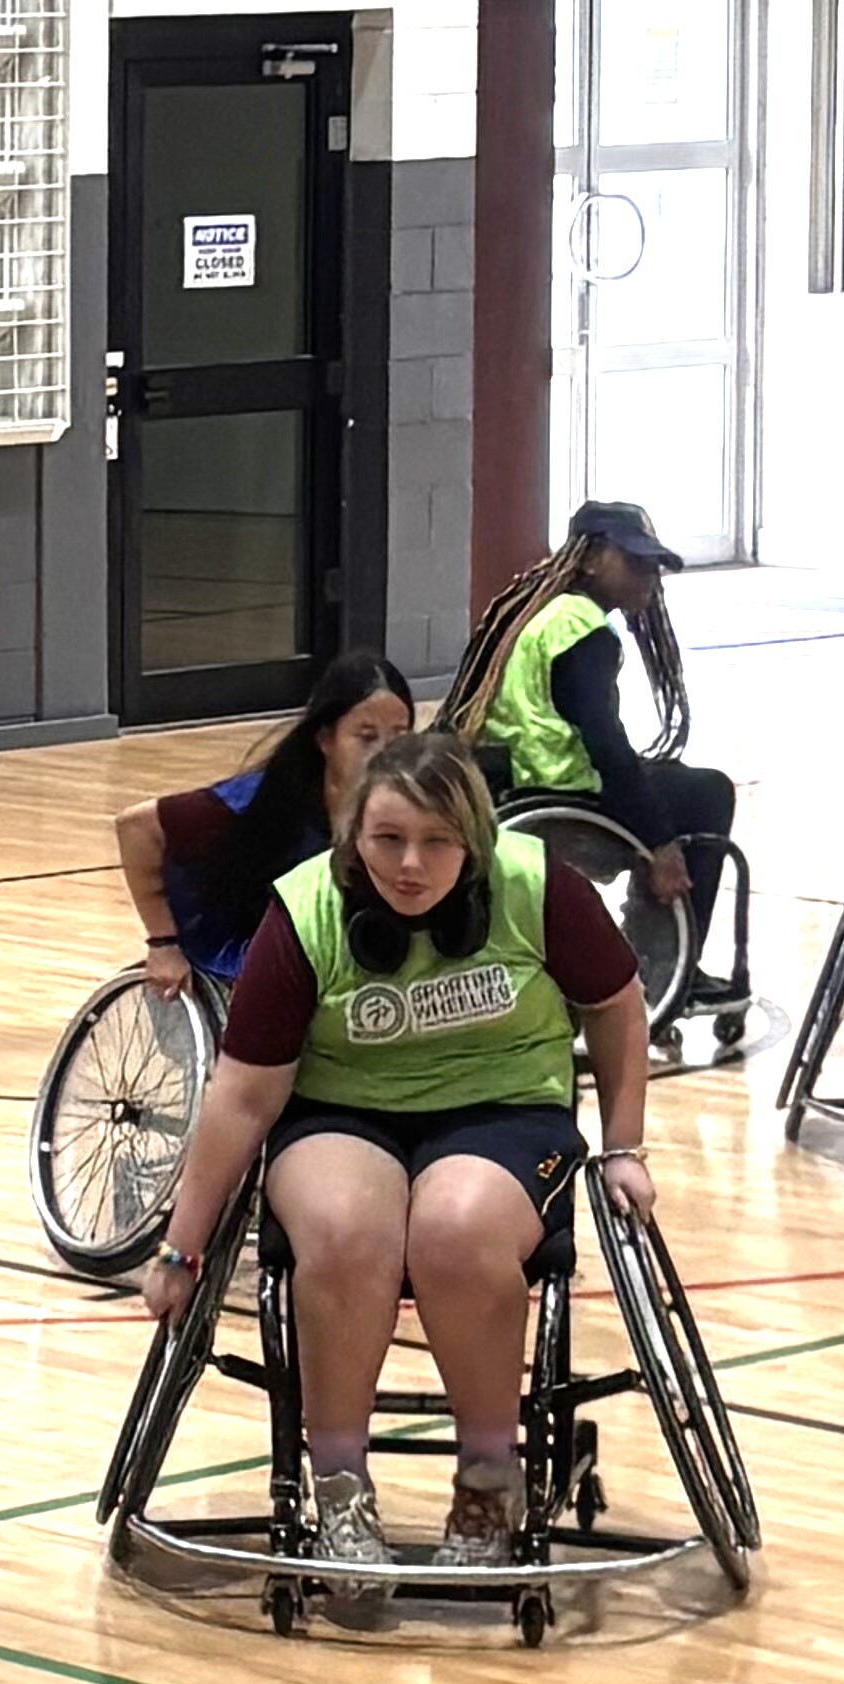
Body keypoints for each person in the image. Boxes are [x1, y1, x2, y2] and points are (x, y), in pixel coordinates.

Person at [138, 731, 652, 1600]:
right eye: (386, 840)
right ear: (352, 838)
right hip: (340, 1112)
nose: (410, 866)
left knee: (455, 1231)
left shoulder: (536, 888)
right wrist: (180, 1249)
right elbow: (240, 1097)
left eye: (436, 842)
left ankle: (486, 1487)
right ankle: (340, 1492)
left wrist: (625, 1144)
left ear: (473, 842)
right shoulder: (304, 911)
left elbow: (616, 1009)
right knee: (342, 1233)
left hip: (504, 1109)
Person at [447, 501, 736, 951]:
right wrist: (660, 844)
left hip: (517, 778)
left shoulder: (540, 612)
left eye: (654, 565)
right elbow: (604, 743)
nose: (650, 576)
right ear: (589, 557)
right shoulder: (581, 628)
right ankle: (666, 956)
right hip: (561, 788)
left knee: (667, 778)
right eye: (635, 562)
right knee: (708, 792)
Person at [110, 651, 416, 993]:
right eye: (366, 736)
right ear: (325, 739)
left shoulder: (413, 810)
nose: (387, 752)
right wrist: (162, 943)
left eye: (400, 735)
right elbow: (135, 828)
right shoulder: (253, 802)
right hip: (248, 948)